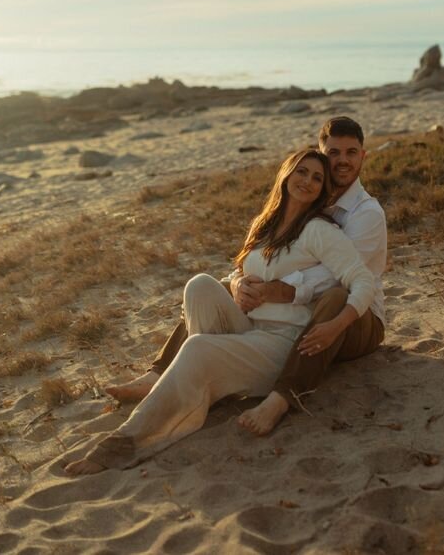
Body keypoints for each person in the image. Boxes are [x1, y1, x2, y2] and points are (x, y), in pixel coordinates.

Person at [65, 149, 374, 474]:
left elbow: (363, 280)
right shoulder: (263, 225)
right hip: (249, 329)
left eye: (317, 178)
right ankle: (197, 384)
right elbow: (238, 272)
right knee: (199, 285)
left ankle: (120, 445)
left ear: (322, 190)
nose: (307, 182)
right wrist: (238, 284)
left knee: (197, 347)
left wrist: (338, 324)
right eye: (302, 172)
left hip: (281, 344)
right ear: (286, 174)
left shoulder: (320, 231)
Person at [106, 117, 387, 436]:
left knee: (335, 298)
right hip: (296, 314)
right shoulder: (289, 213)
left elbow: (340, 280)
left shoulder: (365, 214)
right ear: (320, 152)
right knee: (206, 287)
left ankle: (282, 396)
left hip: (357, 319)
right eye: (333, 152)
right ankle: (166, 373)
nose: (342, 161)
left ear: (363, 156)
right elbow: (248, 265)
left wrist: (283, 291)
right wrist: (239, 283)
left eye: (351, 152)